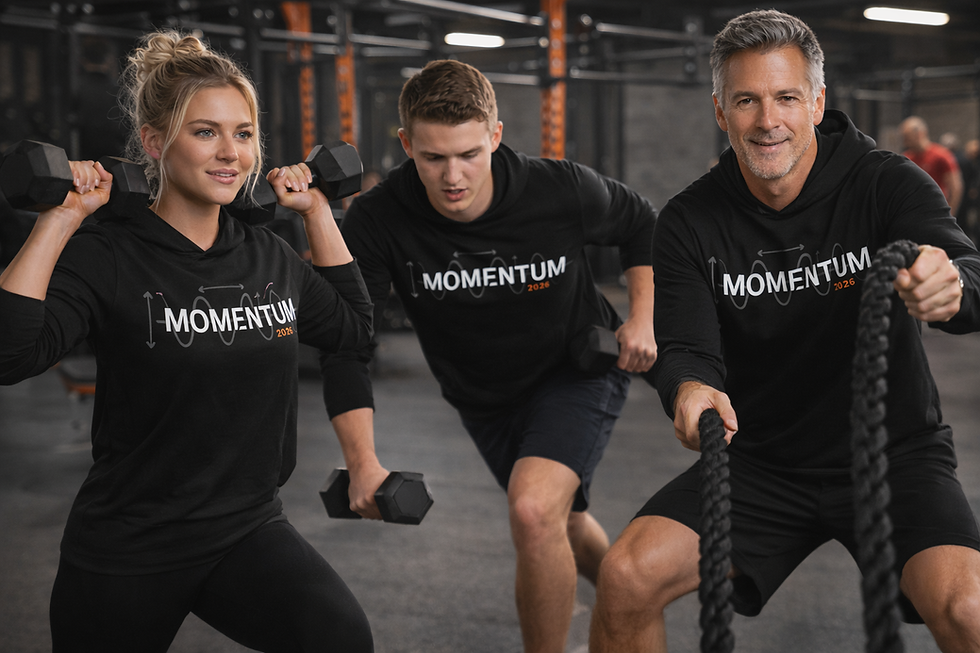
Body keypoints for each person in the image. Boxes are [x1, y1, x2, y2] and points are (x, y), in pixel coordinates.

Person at [590, 9, 980, 653]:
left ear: (817, 102)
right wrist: (688, 390)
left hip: (894, 455)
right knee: (626, 577)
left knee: (969, 610)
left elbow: (968, 269)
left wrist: (952, 286)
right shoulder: (690, 220)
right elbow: (686, 349)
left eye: (787, 98)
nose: (767, 120)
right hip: (760, 462)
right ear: (721, 112)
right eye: (746, 100)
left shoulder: (885, 182)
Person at [0, 30, 375, 652]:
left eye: (244, 134)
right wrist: (58, 221)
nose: (231, 153)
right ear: (154, 143)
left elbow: (352, 329)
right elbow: (10, 356)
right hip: (131, 543)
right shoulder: (109, 255)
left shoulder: (267, 256)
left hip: (246, 528)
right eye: (205, 132)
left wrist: (316, 214)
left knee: (340, 639)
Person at [319, 59, 657, 652]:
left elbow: (642, 224)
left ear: (495, 136)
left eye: (469, 154)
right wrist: (362, 462)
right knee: (559, 521)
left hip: (574, 370)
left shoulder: (558, 188)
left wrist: (643, 318)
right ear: (406, 145)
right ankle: (631, 601)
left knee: (532, 510)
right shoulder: (379, 218)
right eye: (433, 158)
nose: (453, 176)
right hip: (481, 396)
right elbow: (349, 342)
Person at [901, 115, 964, 217]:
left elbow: (956, 187)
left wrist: (949, 215)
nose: (905, 141)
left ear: (919, 134)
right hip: (914, 213)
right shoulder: (906, 158)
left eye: (907, 136)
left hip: (937, 212)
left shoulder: (941, 155)